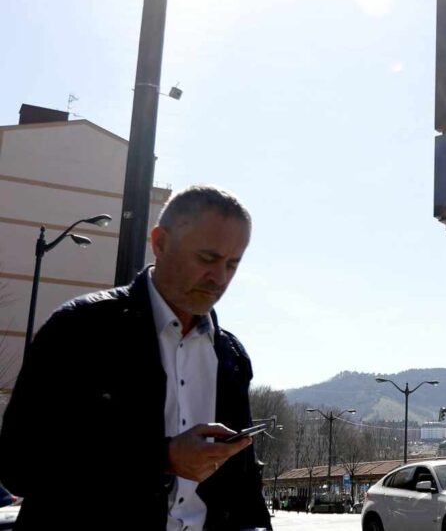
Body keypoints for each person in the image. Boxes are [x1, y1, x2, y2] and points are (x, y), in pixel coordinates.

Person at [0, 185, 272, 530]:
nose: (219, 277)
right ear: (160, 243)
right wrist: (163, 457)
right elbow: (18, 464)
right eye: (206, 258)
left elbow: (243, 488)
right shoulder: (80, 328)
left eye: (232, 264)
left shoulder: (231, 356)